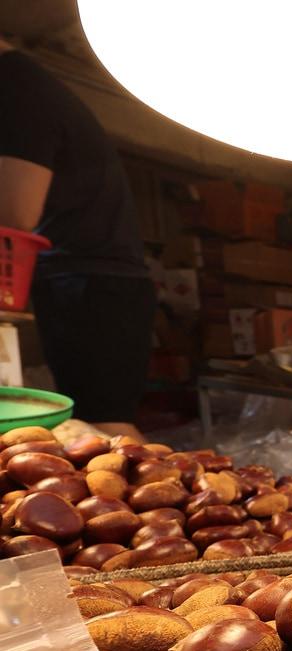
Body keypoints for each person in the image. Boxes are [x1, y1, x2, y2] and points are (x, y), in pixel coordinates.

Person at [0, 39, 155, 438]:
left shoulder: (17, 87)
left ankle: (150, 500)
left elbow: (14, 212)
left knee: (104, 425)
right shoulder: (23, 83)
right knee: (98, 421)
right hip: (89, 277)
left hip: (94, 282)